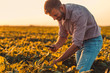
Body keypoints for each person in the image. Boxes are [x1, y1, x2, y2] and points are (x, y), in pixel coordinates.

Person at [44, 0, 103, 72]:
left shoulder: (78, 14)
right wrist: (56, 46)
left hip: (92, 41)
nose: (54, 18)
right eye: (52, 16)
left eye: (55, 15)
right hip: (80, 43)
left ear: (61, 8)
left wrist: (58, 60)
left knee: (81, 70)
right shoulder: (60, 15)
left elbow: (76, 44)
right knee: (78, 70)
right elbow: (63, 36)